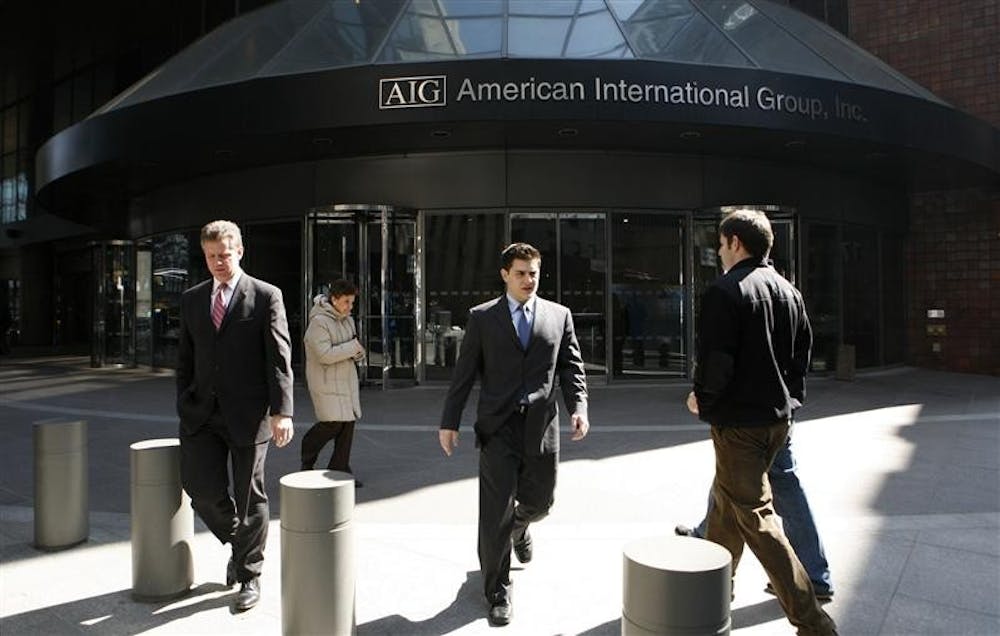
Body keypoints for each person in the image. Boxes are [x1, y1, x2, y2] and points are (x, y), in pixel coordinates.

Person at [686, 210, 837, 635]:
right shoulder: (790, 292)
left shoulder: (726, 291)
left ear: (735, 242)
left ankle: (813, 621)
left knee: (755, 517)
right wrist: (788, 402)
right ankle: (714, 591)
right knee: (725, 506)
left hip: (740, 424)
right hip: (778, 419)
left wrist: (704, 399)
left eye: (720, 244)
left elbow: (716, 362)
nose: (718, 252)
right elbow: (802, 358)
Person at [439, 242, 590, 627]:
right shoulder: (482, 317)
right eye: (521, 273)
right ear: (505, 274)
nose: (529, 280)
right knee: (495, 514)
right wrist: (449, 421)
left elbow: (571, 367)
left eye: (534, 273)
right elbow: (464, 375)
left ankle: (521, 528)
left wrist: (579, 408)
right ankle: (498, 591)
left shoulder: (559, 315)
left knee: (541, 502)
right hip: (497, 427)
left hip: (541, 425)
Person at [176, 219, 294, 612]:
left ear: (239, 251)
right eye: (211, 256)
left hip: (248, 414)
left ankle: (249, 575)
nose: (217, 263)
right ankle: (240, 543)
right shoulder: (193, 298)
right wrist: (184, 398)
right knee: (201, 490)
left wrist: (282, 411)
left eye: (224, 255)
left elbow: (279, 359)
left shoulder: (265, 296)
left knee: (250, 496)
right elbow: (185, 359)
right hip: (201, 414)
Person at [675, 430, 834, 600]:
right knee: (745, 480)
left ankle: (809, 580)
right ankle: (813, 575)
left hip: (747, 422)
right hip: (774, 415)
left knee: (745, 486)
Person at [302, 279, 366, 486]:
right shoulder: (319, 322)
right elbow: (324, 355)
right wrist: (352, 348)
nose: (350, 306)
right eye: (346, 301)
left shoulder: (347, 320)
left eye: (352, 302)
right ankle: (308, 451)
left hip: (345, 381)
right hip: (327, 383)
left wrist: (358, 352)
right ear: (334, 299)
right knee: (332, 423)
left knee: (347, 424)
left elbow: (353, 346)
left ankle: (340, 468)